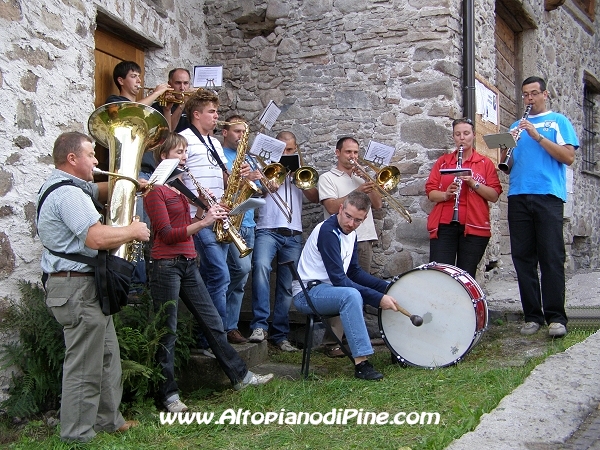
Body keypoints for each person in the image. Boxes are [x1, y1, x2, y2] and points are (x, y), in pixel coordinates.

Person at [144, 133, 273, 413]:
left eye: (185, 152)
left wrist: (211, 210)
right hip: (166, 265)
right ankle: (167, 395)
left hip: (188, 262)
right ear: (164, 155)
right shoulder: (156, 191)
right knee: (167, 331)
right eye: (179, 152)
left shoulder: (180, 187)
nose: (184, 157)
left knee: (213, 321)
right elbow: (166, 234)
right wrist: (204, 221)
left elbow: (187, 222)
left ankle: (240, 376)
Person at [36, 132, 149, 442]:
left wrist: (130, 183)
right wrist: (132, 231)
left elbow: (99, 188)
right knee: (85, 365)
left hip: (84, 287)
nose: (98, 160)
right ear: (72, 159)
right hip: (77, 289)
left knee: (107, 356)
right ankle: (77, 434)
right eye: (91, 154)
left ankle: (108, 420)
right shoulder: (68, 195)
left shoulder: (70, 186)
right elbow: (95, 238)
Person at [292, 191, 400, 380]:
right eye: (348, 216)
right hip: (308, 293)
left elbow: (354, 272)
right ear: (341, 209)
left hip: (328, 290)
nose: (351, 224)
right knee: (350, 295)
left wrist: (385, 288)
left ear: (364, 218)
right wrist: (378, 298)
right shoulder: (328, 231)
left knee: (389, 288)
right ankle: (362, 364)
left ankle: (398, 350)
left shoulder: (350, 234)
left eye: (357, 220)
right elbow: (339, 280)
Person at [505, 76, 578, 337]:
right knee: (523, 258)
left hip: (548, 195)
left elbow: (568, 157)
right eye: (525, 94)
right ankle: (532, 316)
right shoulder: (516, 125)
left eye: (534, 93)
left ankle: (556, 317)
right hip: (518, 195)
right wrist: (504, 150)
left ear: (545, 94)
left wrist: (537, 137)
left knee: (551, 257)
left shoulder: (558, 121)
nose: (529, 99)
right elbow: (509, 165)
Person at [179, 89, 252, 328]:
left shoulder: (214, 144)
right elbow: (175, 179)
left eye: (217, 111)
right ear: (197, 114)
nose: (216, 115)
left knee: (225, 274)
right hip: (198, 217)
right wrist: (199, 205)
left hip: (220, 215)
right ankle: (214, 334)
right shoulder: (183, 139)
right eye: (212, 111)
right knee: (219, 274)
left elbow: (224, 180)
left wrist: (238, 178)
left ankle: (214, 332)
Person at [249, 131, 319, 351]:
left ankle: (280, 335)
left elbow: (315, 198)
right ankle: (260, 326)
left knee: (286, 285)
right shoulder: (265, 169)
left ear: (296, 149)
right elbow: (256, 195)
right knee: (260, 268)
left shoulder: (301, 171)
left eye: (290, 150)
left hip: (293, 233)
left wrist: (302, 181)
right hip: (267, 229)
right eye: (282, 150)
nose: (286, 153)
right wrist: (271, 181)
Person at [317, 136, 383, 357]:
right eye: (348, 152)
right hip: (340, 238)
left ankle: (356, 337)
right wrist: (358, 192)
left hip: (363, 238)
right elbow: (331, 205)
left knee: (359, 290)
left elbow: (378, 204)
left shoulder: (361, 177)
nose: (353, 157)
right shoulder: (327, 178)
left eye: (356, 153)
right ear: (337, 153)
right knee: (340, 287)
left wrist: (370, 185)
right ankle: (332, 342)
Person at [425, 118, 502, 278]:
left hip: (474, 226)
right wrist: (446, 194)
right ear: (453, 137)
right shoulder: (444, 162)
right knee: (440, 273)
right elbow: (431, 192)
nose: (462, 137)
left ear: (473, 135)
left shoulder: (484, 163)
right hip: (445, 224)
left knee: (466, 276)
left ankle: (464, 303)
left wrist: (473, 183)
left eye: (466, 133)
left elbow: (494, 195)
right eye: (457, 134)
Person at [221, 114, 262, 344]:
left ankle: (231, 326)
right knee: (232, 273)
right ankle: (220, 326)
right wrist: (241, 177)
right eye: (237, 132)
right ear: (225, 132)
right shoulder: (218, 154)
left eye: (242, 133)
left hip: (248, 223)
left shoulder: (248, 157)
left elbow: (259, 190)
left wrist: (258, 179)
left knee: (241, 279)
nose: (240, 137)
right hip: (229, 222)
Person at [105, 60, 172, 106]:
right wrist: (156, 93)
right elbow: (132, 109)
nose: (139, 80)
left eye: (139, 76)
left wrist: (167, 109)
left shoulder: (143, 106)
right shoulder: (113, 100)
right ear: (121, 81)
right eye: (133, 76)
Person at [152, 67, 193, 132]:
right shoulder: (157, 107)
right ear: (169, 84)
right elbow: (168, 132)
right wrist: (182, 104)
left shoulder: (193, 105)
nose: (182, 88)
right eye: (178, 83)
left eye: (185, 83)